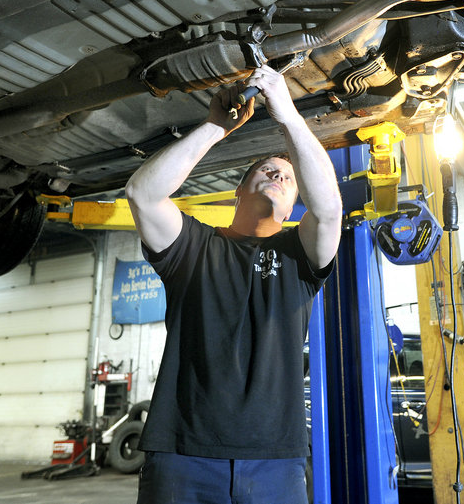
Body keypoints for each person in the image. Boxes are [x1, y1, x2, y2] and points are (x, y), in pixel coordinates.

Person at [125, 65, 343, 504]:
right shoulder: (193, 247)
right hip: (181, 456)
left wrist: (285, 113)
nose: (279, 176)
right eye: (267, 169)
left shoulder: (299, 256)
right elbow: (142, 194)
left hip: (274, 462)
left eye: (288, 177)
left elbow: (331, 209)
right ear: (238, 192)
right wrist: (213, 128)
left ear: (295, 205)